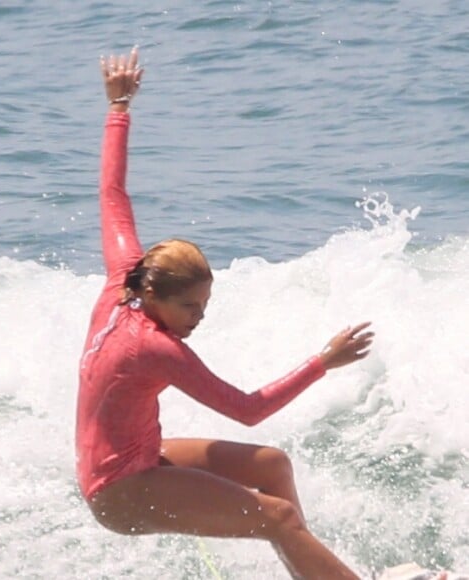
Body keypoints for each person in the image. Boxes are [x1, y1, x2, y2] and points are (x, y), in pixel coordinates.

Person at [76, 46, 375, 580]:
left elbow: (112, 192)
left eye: (205, 304)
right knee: (278, 516)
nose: (198, 317)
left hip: (140, 458)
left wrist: (118, 107)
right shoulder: (155, 347)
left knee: (271, 467)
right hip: (119, 493)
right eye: (189, 307)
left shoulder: (124, 278)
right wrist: (322, 362)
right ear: (156, 296)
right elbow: (247, 409)